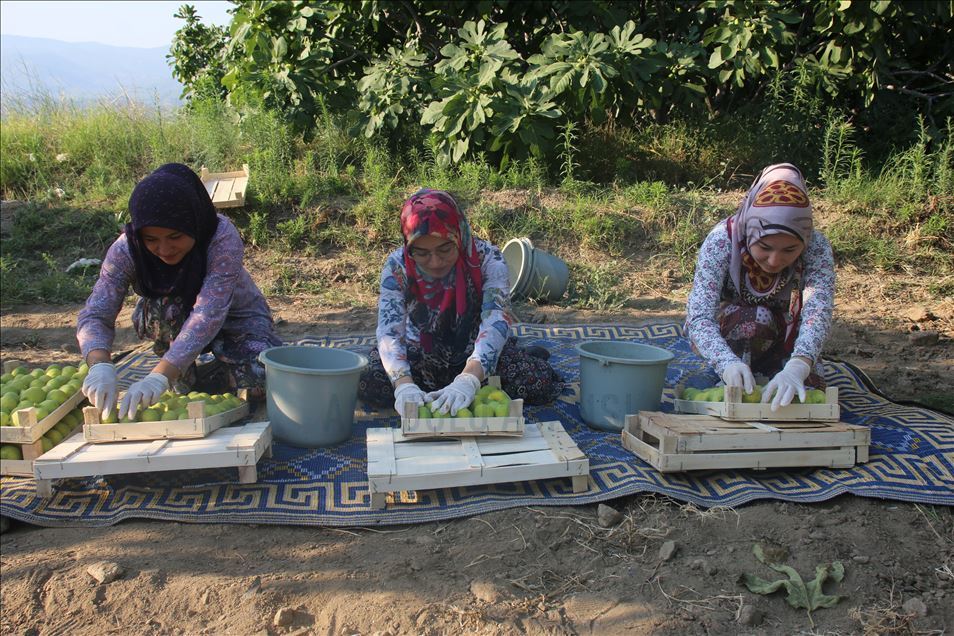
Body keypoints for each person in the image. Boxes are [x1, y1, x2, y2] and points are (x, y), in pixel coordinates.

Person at [77, 163, 282, 420]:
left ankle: (209, 369)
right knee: (165, 312)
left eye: (175, 236)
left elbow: (209, 314)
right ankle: (184, 374)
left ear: (194, 222)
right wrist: (99, 364)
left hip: (235, 317)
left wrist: (160, 376)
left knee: (262, 378)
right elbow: (97, 312)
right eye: (151, 239)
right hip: (173, 318)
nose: (164, 249)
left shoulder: (220, 237)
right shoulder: (127, 250)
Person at [359, 188, 561, 415]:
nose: (435, 262)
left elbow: (496, 318)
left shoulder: (488, 259)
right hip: (419, 353)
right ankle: (428, 388)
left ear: (459, 236)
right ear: (408, 246)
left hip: (473, 351)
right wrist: (403, 385)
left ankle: (517, 358)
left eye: (445, 249)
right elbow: (390, 331)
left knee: (537, 383)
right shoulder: (398, 266)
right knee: (368, 382)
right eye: (422, 253)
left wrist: (469, 379)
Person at [685, 163, 835, 410]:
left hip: (788, 337)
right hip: (732, 337)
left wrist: (800, 364)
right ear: (749, 230)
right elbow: (699, 316)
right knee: (755, 318)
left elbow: (817, 311)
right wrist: (726, 363)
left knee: (808, 397)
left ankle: (781, 373)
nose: (775, 260)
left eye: (790, 250)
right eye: (764, 247)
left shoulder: (816, 248)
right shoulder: (722, 241)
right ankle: (737, 375)